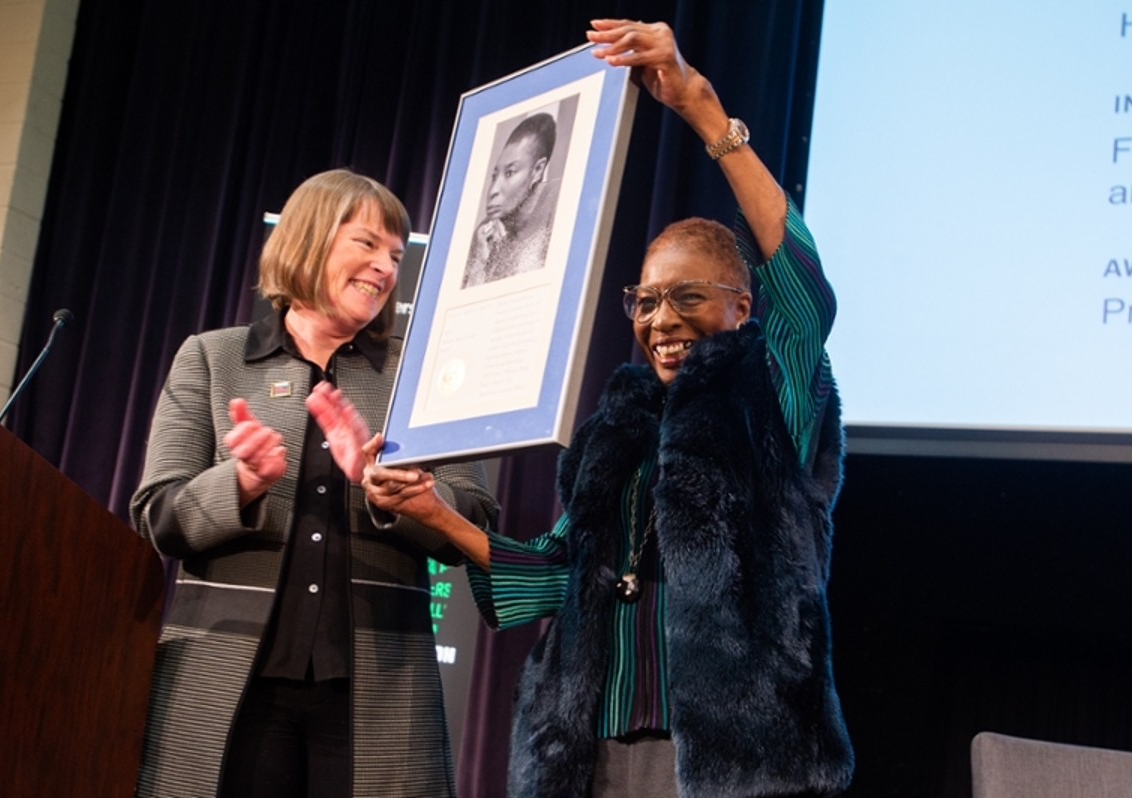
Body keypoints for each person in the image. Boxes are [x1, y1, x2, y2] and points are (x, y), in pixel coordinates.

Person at [318, 20, 855, 798]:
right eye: (647, 300)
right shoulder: (619, 429)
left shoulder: (773, 399)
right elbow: (553, 582)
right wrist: (435, 514)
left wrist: (700, 106)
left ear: (743, 307)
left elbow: (807, 293)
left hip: (735, 766)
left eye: (688, 297)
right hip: (592, 761)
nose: (661, 319)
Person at [129, 169, 499, 798]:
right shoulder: (212, 359)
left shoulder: (421, 374)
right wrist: (240, 483)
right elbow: (157, 515)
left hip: (381, 690)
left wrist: (399, 495)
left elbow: (476, 515)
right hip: (223, 682)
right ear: (306, 241)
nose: (385, 267)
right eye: (366, 244)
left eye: (393, 253)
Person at [461, 111, 561, 288]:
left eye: (510, 173)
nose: (493, 190)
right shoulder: (485, 232)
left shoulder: (559, 200)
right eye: (494, 175)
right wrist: (480, 262)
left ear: (537, 170)